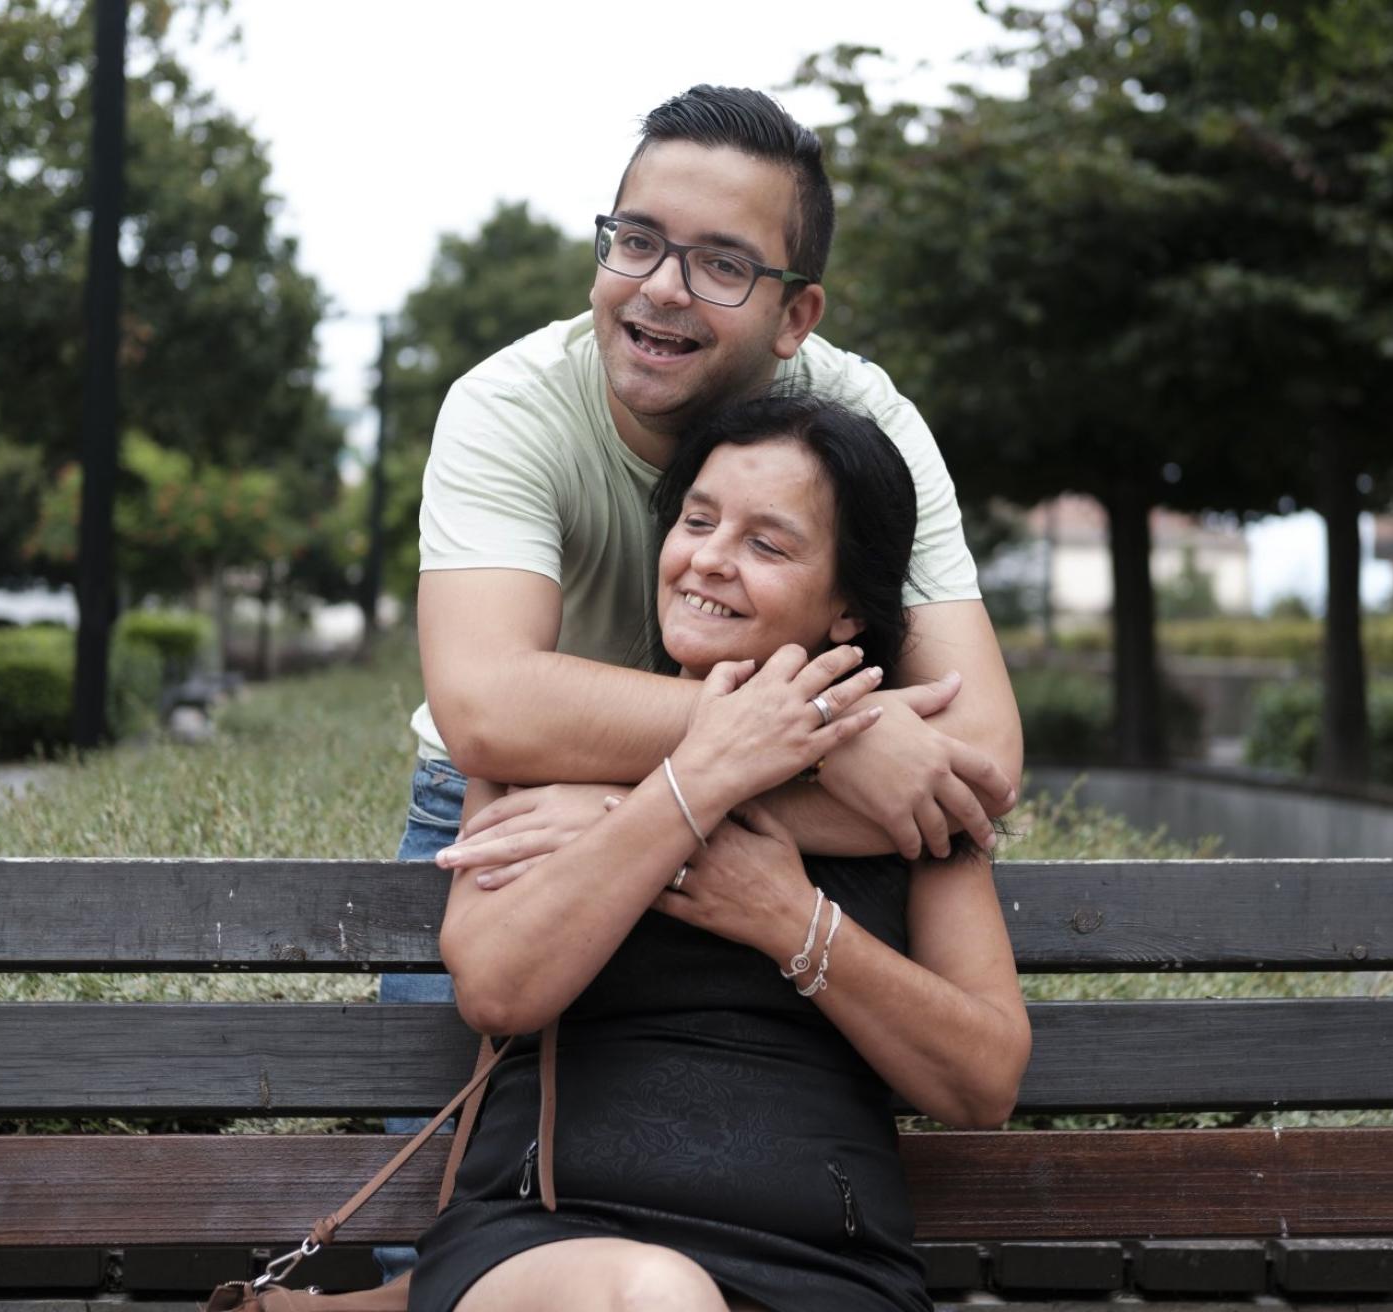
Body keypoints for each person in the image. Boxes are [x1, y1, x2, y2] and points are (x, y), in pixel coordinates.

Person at [379, 83, 1023, 1272]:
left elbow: (972, 763)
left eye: (723, 262)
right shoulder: (511, 407)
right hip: (528, 801)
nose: (662, 286)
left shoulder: (864, 423)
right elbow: (489, 710)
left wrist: (683, 804)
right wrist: (809, 738)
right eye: (636, 240)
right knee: (429, 1218)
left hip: (761, 829)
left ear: (798, 313)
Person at [408, 392, 1032, 1312]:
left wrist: (788, 917)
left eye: (767, 545)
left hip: (830, 1267)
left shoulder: (905, 794)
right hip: (552, 1245)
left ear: (850, 608)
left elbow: (983, 1080)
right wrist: (687, 791)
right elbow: (499, 986)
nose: (708, 559)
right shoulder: (547, 747)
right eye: (697, 521)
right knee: (659, 1296)